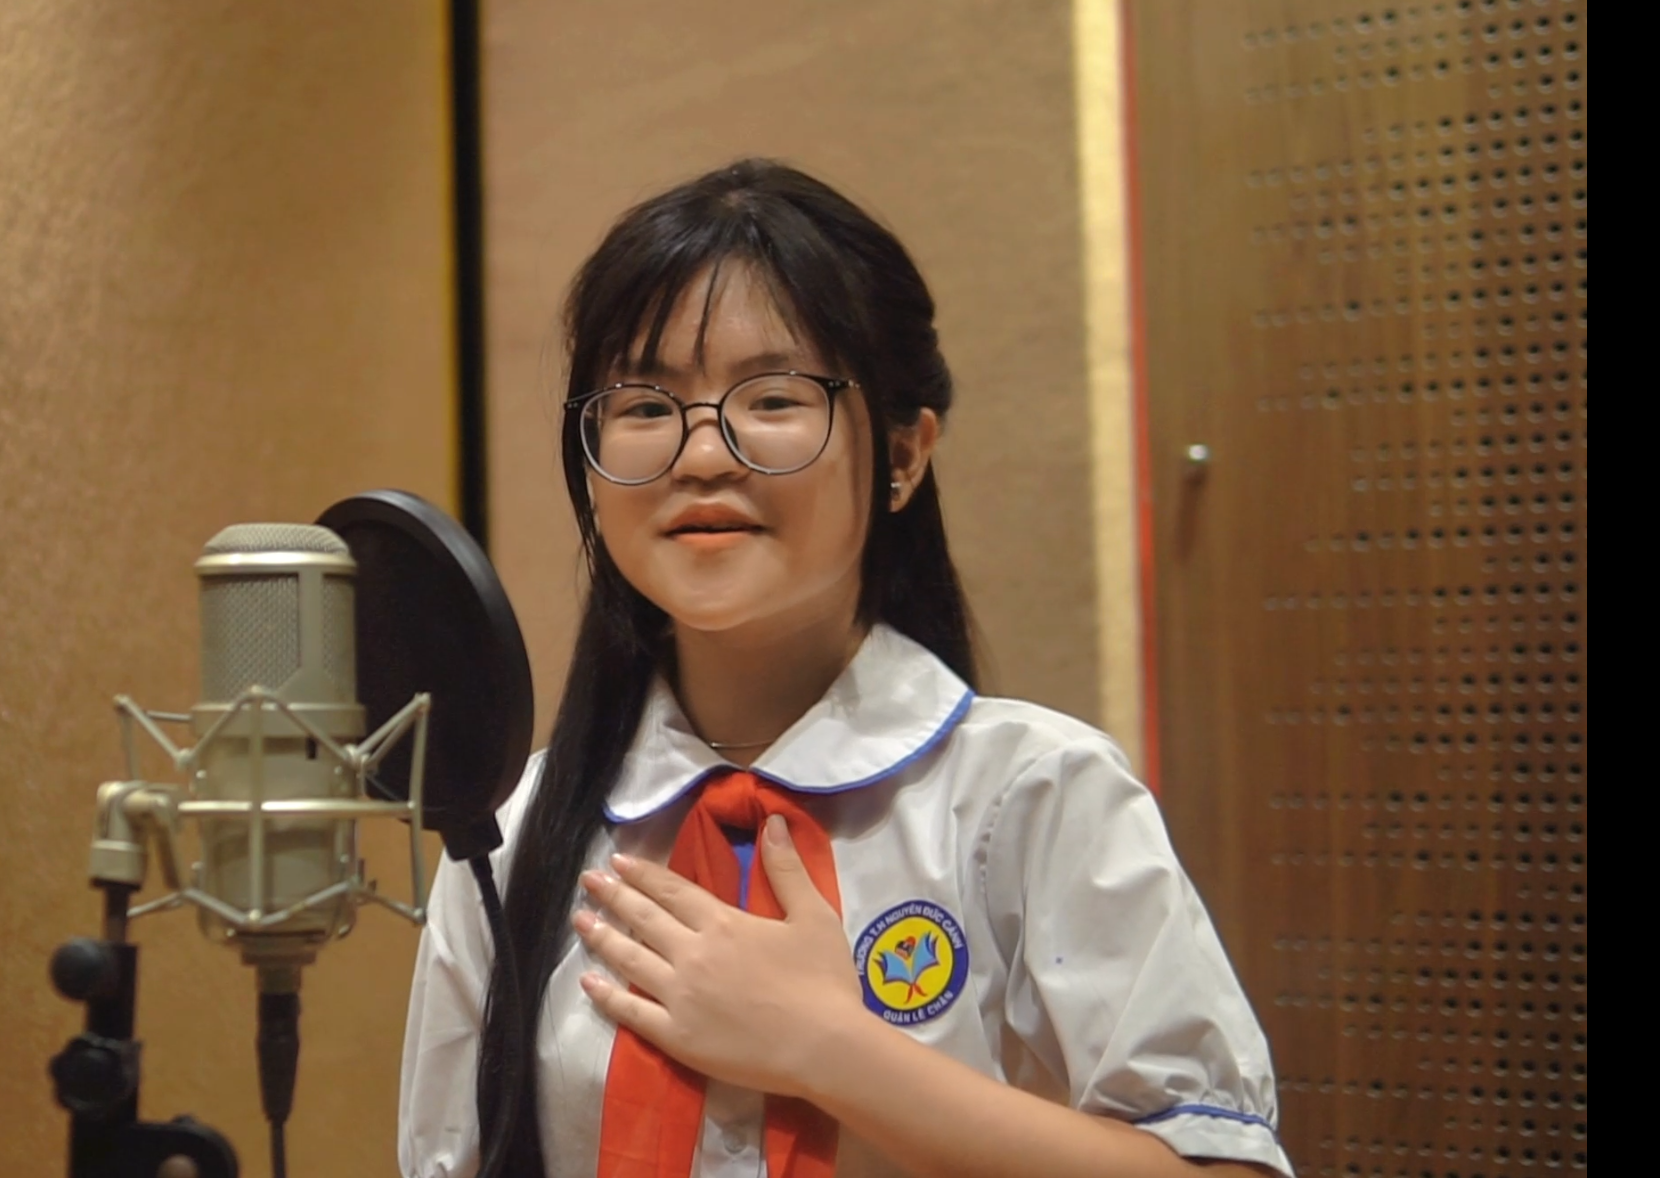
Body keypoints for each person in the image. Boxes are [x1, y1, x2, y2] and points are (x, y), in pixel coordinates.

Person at [398, 159, 1293, 1178]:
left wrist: (830, 1049)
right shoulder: (506, 839)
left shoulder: (1035, 795)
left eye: (773, 397)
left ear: (904, 454)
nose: (702, 454)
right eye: (644, 406)